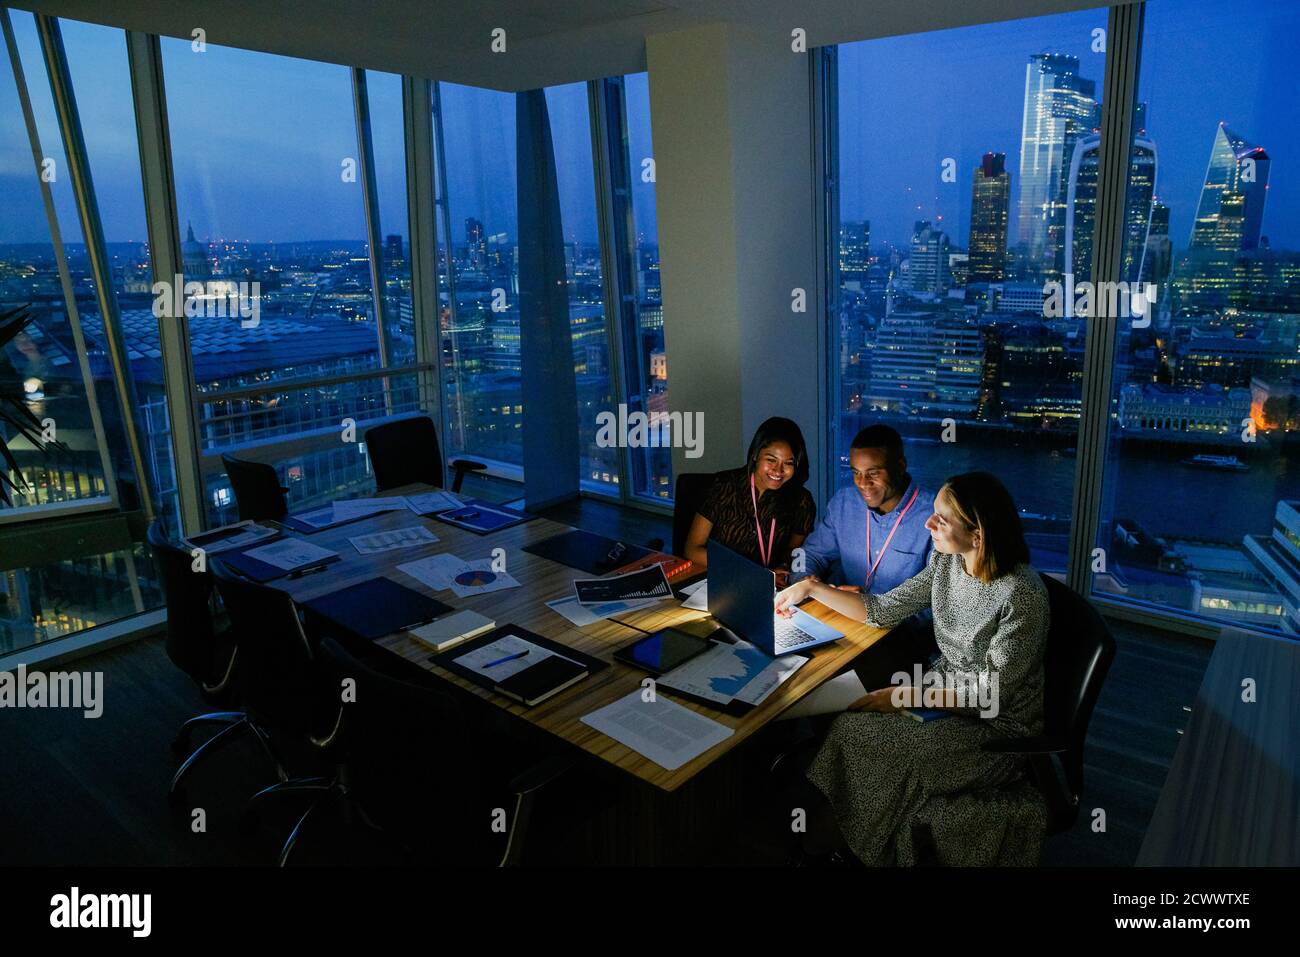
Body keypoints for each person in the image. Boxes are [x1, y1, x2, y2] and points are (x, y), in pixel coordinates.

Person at [773, 471, 1050, 866]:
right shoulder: (947, 562)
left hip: (995, 727)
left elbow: (991, 695)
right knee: (850, 729)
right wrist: (813, 588)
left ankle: (841, 847)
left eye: (942, 518)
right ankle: (840, 842)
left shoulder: (1022, 596)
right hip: (942, 693)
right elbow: (884, 610)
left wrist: (904, 695)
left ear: (978, 535)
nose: (928, 523)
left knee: (885, 752)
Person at [794, 424, 934, 594]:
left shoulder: (934, 516)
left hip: (896, 620)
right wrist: (804, 579)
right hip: (837, 615)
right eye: (856, 473)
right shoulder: (843, 503)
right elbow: (807, 553)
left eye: (873, 473)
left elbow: (937, 603)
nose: (862, 483)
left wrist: (865, 608)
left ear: (900, 466)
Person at [684, 417, 816, 586]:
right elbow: (692, 549)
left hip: (769, 587)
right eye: (771, 460)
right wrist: (754, 572)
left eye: (788, 463)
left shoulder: (802, 501)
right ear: (755, 455)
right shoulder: (724, 486)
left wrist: (786, 568)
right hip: (719, 581)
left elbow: (795, 551)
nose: (778, 470)